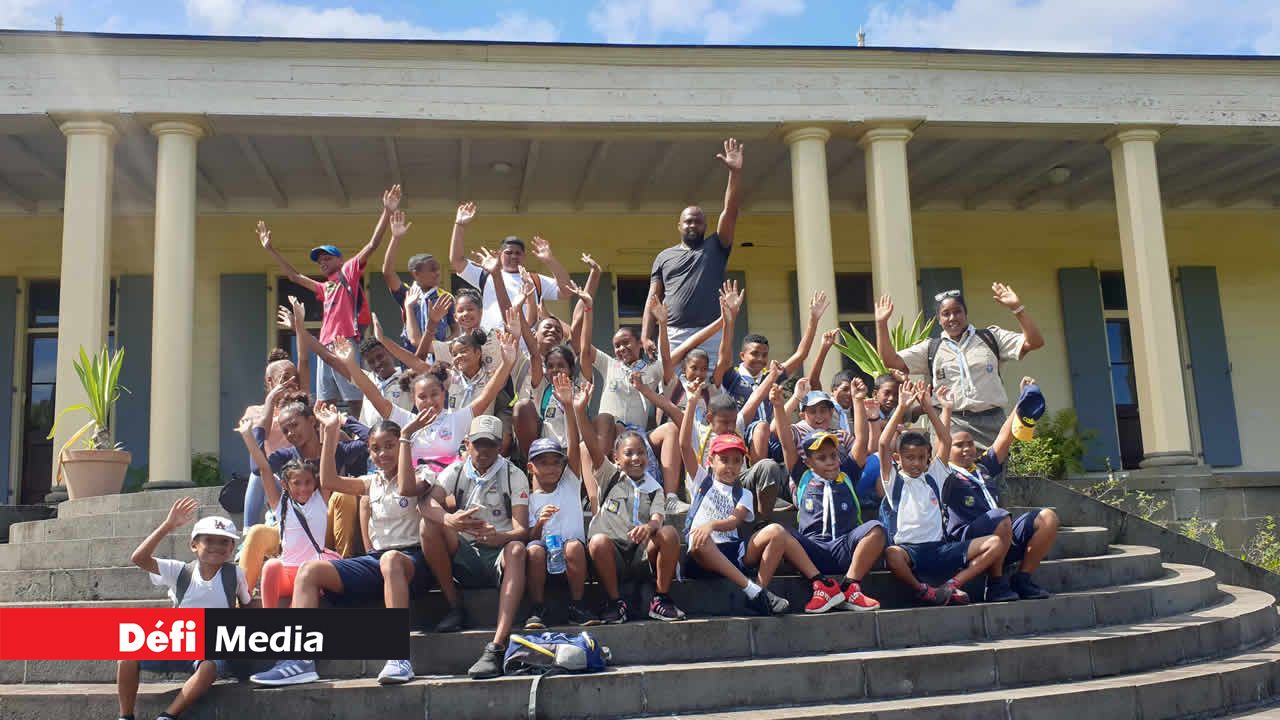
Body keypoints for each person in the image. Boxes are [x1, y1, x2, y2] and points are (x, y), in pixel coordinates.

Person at [251, 408, 450, 687]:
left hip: (412, 561)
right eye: (376, 449)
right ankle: (299, 660)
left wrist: (405, 437)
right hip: (376, 562)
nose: (383, 454)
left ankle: (398, 657)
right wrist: (331, 432)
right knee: (310, 571)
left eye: (390, 446)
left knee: (391, 559)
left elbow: (406, 488)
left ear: (403, 447)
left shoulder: (424, 472)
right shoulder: (371, 483)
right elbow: (330, 481)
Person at [257, 185, 403, 416]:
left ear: (339, 259)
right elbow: (294, 277)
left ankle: (359, 434)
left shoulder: (348, 272)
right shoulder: (326, 287)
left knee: (354, 396)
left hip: (344, 343)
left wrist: (386, 211)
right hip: (323, 346)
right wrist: (270, 249)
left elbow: (372, 245)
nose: (322, 262)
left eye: (327, 258)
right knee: (324, 401)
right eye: (320, 260)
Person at [878, 381, 1010, 606]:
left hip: (940, 548)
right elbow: (882, 444)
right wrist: (901, 407)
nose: (916, 463)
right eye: (910, 458)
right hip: (910, 551)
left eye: (921, 458)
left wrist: (929, 406)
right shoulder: (894, 482)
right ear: (898, 459)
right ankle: (924, 591)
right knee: (892, 554)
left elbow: (945, 440)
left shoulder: (933, 478)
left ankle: (951, 586)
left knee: (995, 543)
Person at [117, 499, 251, 720]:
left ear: (232, 548)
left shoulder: (235, 574)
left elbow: (247, 605)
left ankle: (168, 715)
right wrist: (168, 526)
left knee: (208, 667)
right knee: (127, 655)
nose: (217, 547)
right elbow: (139, 558)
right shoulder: (179, 571)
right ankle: (125, 715)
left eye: (224, 542)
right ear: (194, 545)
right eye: (209, 541)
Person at [421, 415, 532, 680]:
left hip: (497, 553)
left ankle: (497, 644)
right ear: (467, 444)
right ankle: (454, 605)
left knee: (517, 549)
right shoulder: (456, 471)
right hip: (464, 550)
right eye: (478, 444)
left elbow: (522, 530)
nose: (483, 451)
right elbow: (425, 505)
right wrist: (450, 519)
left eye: (490, 445)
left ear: (500, 446)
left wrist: (499, 537)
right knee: (429, 526)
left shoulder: (513, 474)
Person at [679, 431, 834, 616]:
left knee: (777, 531)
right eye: (724, 460)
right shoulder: (702, 481)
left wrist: (711, 525)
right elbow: (684, 446)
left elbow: (735, 521)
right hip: (702, 556)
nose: (730, 466)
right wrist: (692, 403)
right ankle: (755, 592)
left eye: (736, 461)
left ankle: (760, 590)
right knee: (700, 540)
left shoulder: (743, 493)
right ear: (711, 461)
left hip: (732, 551)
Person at [874, 283, 1045, 448]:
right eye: (946, 314)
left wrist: (1017, 309)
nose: (952, 318)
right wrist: (881, 324)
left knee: (992, 475)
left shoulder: (991, 338)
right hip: (951, 423)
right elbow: (891, 361)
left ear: (966, 313)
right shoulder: (931, 348)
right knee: (952, 477)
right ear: (939, 319)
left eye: (957, 312)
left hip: (992, 422)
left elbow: (1035, 342)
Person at [333, 331, 517, 475]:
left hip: (447, 494)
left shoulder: (456, 420)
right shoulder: (405, 420)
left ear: (444, 394)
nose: (429, 401)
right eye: (422, 397)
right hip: (413, 493)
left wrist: (507, 362)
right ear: (413, 399)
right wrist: (350, 363)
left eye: (434, 394)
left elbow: (486, 395)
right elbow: (373, 393)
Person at [576, 386, 687, 624]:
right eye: (629, 453)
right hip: (612, 555)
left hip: (640, 555)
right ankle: (616, 602)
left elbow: (658, 516)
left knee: (668, 533)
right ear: (616, 458)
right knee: (597, 541)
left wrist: (650, 527)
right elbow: (592, 446)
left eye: (641, 452)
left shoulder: (654, 486)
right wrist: (579, 410)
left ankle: (661, 599)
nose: (636, 458)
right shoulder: (609, 475)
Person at [943, 378, 1058, 601]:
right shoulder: (945, 475)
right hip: (968, 541)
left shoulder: (983, 467)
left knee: (1047, 518)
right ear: (947, 448)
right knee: (1000, 516)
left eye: (970, 444)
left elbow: (1005, 437)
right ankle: (996, 583)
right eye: (959, 445)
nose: (967, 449)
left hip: (1000, 531)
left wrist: (1022, 400)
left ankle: (1022, 579)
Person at [642, 138, 743, 367]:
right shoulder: (664, 257)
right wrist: (646, 335)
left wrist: (734, 174)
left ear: (705, 226)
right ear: (679, 226)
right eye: (688, 222)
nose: (692, 226)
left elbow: (731, 211)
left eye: (698, 222)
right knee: (671, 392)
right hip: (673, 334)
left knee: (712, 394)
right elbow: (653, 298)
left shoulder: (717, 246)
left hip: (711, 333)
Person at [242, 393, 369, 561]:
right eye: (285, 430)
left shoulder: (336, 451)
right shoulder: (285, 456)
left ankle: (343, 564)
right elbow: (259, 469)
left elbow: (372, 440)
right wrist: (256, 430)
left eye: (295, 425)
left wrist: (343, 420)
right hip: (293, 528)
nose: (291, 433)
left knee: (343, 495)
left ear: (311, 421)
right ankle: (243, 586)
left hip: (327, 525)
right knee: (256, 532)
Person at [779, 426, 885, 613]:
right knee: (780, 532)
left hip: (844, 547)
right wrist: (778, 405)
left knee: (876, 529)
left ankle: (850, 587)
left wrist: (858, 399)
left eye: (833, 456)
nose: (830, 462)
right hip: (812, 551)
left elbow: (861, 442)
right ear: (809, 462)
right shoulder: (803, 476)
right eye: (821, 458)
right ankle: (821, 585)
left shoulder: (847, 475)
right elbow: (787, 445)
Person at [237, 417, 340, 608]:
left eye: (308, 482)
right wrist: (247, 436)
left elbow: (329, 458)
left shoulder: (320, 498)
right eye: (297, 483)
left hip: (313, 573)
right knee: (271, 565)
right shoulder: (280, 503)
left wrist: (330, 428)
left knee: (305, 587)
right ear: (285, 484)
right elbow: (264, 468)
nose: (303, 488)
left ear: (315, 483)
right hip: (287, 573)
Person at [524, 377, 597, 629]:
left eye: (556, 462)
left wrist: (568, 407)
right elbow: (529, 536)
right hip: (543, 564)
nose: (552, 468)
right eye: (543, 463)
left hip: (573, 561)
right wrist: (540, 524)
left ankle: (577, 605)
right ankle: (537, 609)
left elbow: (574, 446)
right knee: (533, 549)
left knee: (574, 547)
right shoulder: (529, 498)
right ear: (531, 467)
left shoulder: (569, 483)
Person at [447, 201, 572, 332]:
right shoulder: (487, 275)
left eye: (518, 253)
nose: (513, 256)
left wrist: (550, 260)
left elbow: (567, 291)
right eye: (508, 253)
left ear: (524, 257)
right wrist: (459, 225)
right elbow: (456, 261)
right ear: (500, 255)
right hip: (492, 343)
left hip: (526, 346)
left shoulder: (535, 280)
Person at [717, 287, 828, 432]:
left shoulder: (770, 376)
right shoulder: (733, 377)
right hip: (740, 438)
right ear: (742, 356)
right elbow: (724, 356)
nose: (760, 359)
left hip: (769, 439)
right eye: (754, 354)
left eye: (764, 355)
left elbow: (800, 355)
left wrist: (813, 320)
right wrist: (729, 320)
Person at [380, 208, 455, 348]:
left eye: (438, 268)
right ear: (416, 274)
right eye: (432, 269)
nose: (438, 272)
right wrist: (396, 238)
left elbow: (456, 329)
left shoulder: (446, 297)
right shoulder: (408, 294)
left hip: (437, 358)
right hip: (411, 357)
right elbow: (388, 272)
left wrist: (445, 347)